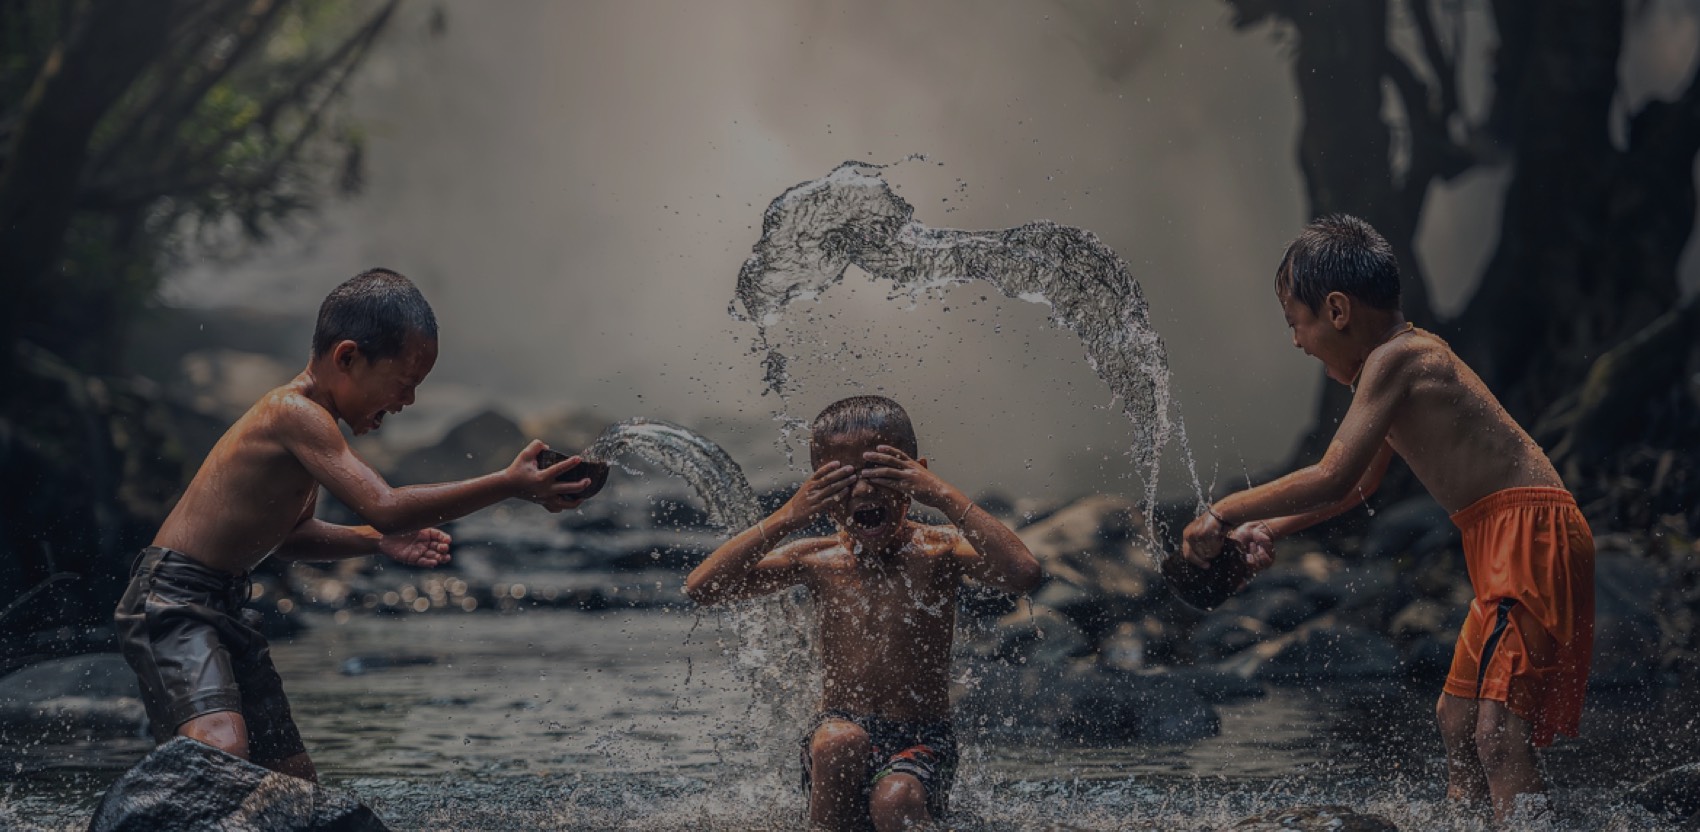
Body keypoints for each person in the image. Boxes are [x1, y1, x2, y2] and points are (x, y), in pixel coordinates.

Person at [1180, 216, 1595, 822]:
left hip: (1530, 536)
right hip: (1504, 539)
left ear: (1338, 310)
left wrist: (1221, 513)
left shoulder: (1400, 357)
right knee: (1457, 719)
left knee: (1498, 731)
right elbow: (1357, 488)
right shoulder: (1394, 367)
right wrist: (1269, 529)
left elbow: (1332, 474)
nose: (1296, 341)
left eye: (1296, 323)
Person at [115, 268, 596, 782]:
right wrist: (508, 483)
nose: (407, 402)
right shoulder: (292, 413)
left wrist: (376, 543)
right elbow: (385, 504)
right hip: (174, 601)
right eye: (404, 383)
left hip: (224, 605)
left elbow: (293, 538)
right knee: (222, 746)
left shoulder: (315, 430)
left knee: (292, 780)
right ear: (347, 358)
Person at [685, 395, 1043, 831]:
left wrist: (944, 495)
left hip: (922, 741)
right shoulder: (816, 558)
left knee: (895, 800)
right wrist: (787, 516)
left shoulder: (940, 550)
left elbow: (1022, 573)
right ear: (816, 487)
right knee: (840, 740)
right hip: (834, 736)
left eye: (880, 472)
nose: (863, 490)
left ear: (915, 475)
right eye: (840, 479)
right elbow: (703, 588)